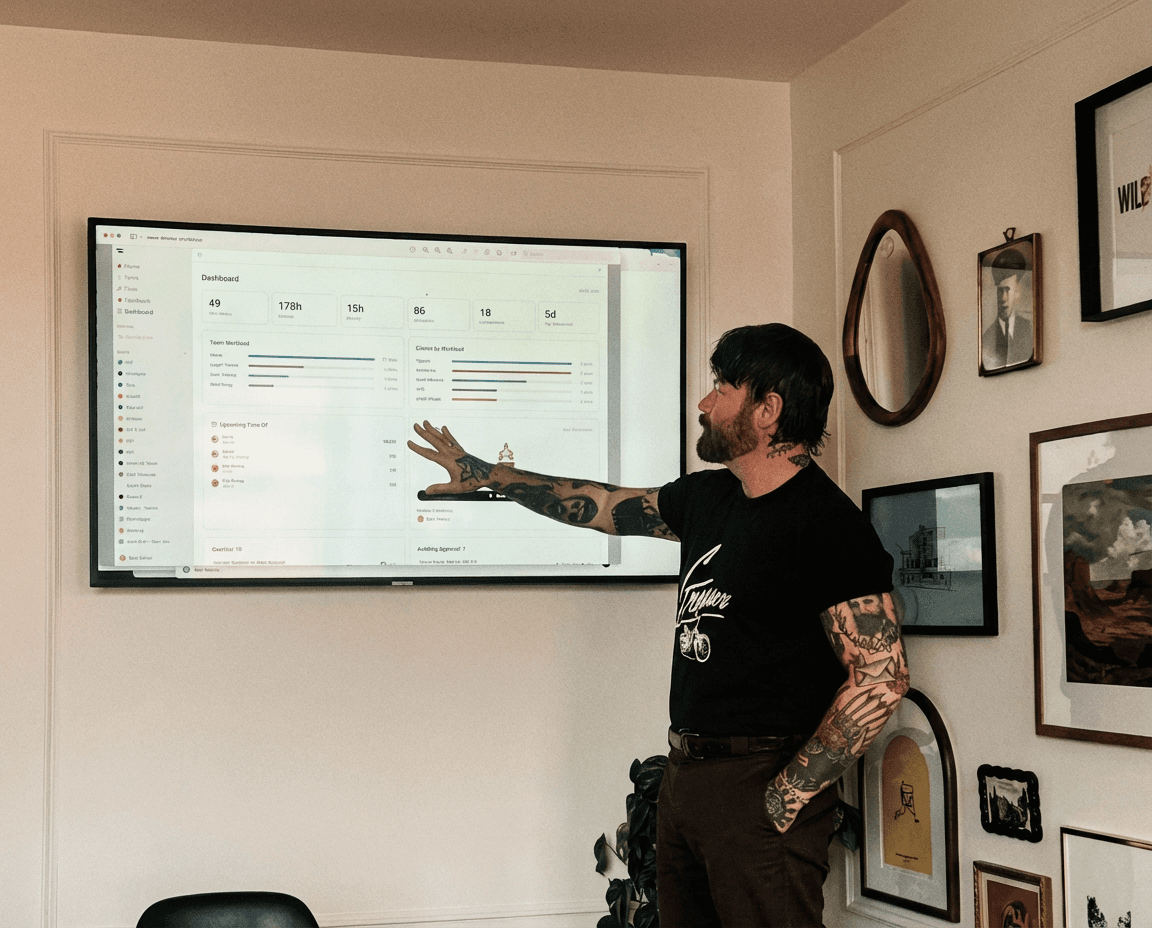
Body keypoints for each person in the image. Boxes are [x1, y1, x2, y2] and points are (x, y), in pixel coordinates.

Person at [408, 323, 908, 927]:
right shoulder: (708, 500)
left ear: (768, 410)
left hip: (762, 781)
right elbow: (602, 506)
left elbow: (880, 679)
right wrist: (492, 475)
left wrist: (785, 800)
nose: (705, 403)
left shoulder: (828, 526)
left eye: (723, 387)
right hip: (686, 777)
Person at [981, 247, 1034, 370]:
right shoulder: (987, 338)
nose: (1003, 298)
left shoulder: (1030, 328)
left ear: (1017, 291)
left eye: (1007, 290)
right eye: (1000, 291)